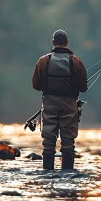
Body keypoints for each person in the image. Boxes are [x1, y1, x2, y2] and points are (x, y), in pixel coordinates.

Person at [32, 29, 87, 170]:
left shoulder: (43, 61)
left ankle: (47, 173)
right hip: (69, 105)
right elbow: (83, 87)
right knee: (68, 141)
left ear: (53, 42)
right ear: (67, 42)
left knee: (48, 142)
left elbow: (36, 86)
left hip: (49, 103)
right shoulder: (76, 61)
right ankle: (68, 173)